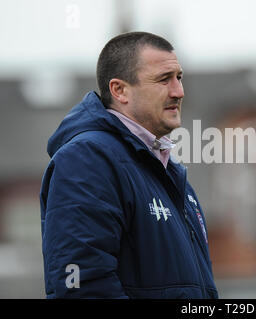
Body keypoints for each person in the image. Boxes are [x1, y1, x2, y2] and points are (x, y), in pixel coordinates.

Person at [39, 32, 218, 299]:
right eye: (163, 79)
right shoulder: (87, 160)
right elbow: (80, 288)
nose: (179, 91)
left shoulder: (168, 171)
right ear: (119, 90)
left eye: (178, 78)